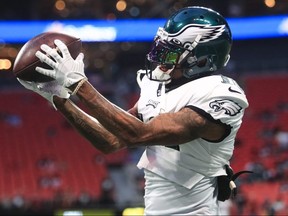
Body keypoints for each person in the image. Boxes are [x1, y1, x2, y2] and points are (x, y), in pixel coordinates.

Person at [18, 6, 249, 215]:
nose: (161, 60)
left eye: (171, 53)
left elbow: (138, 134)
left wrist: (80, 84)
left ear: (201, 59)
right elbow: (110, 140)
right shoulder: (160, 86)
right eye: (161, 49)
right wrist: (61, 99)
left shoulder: (221, 94)